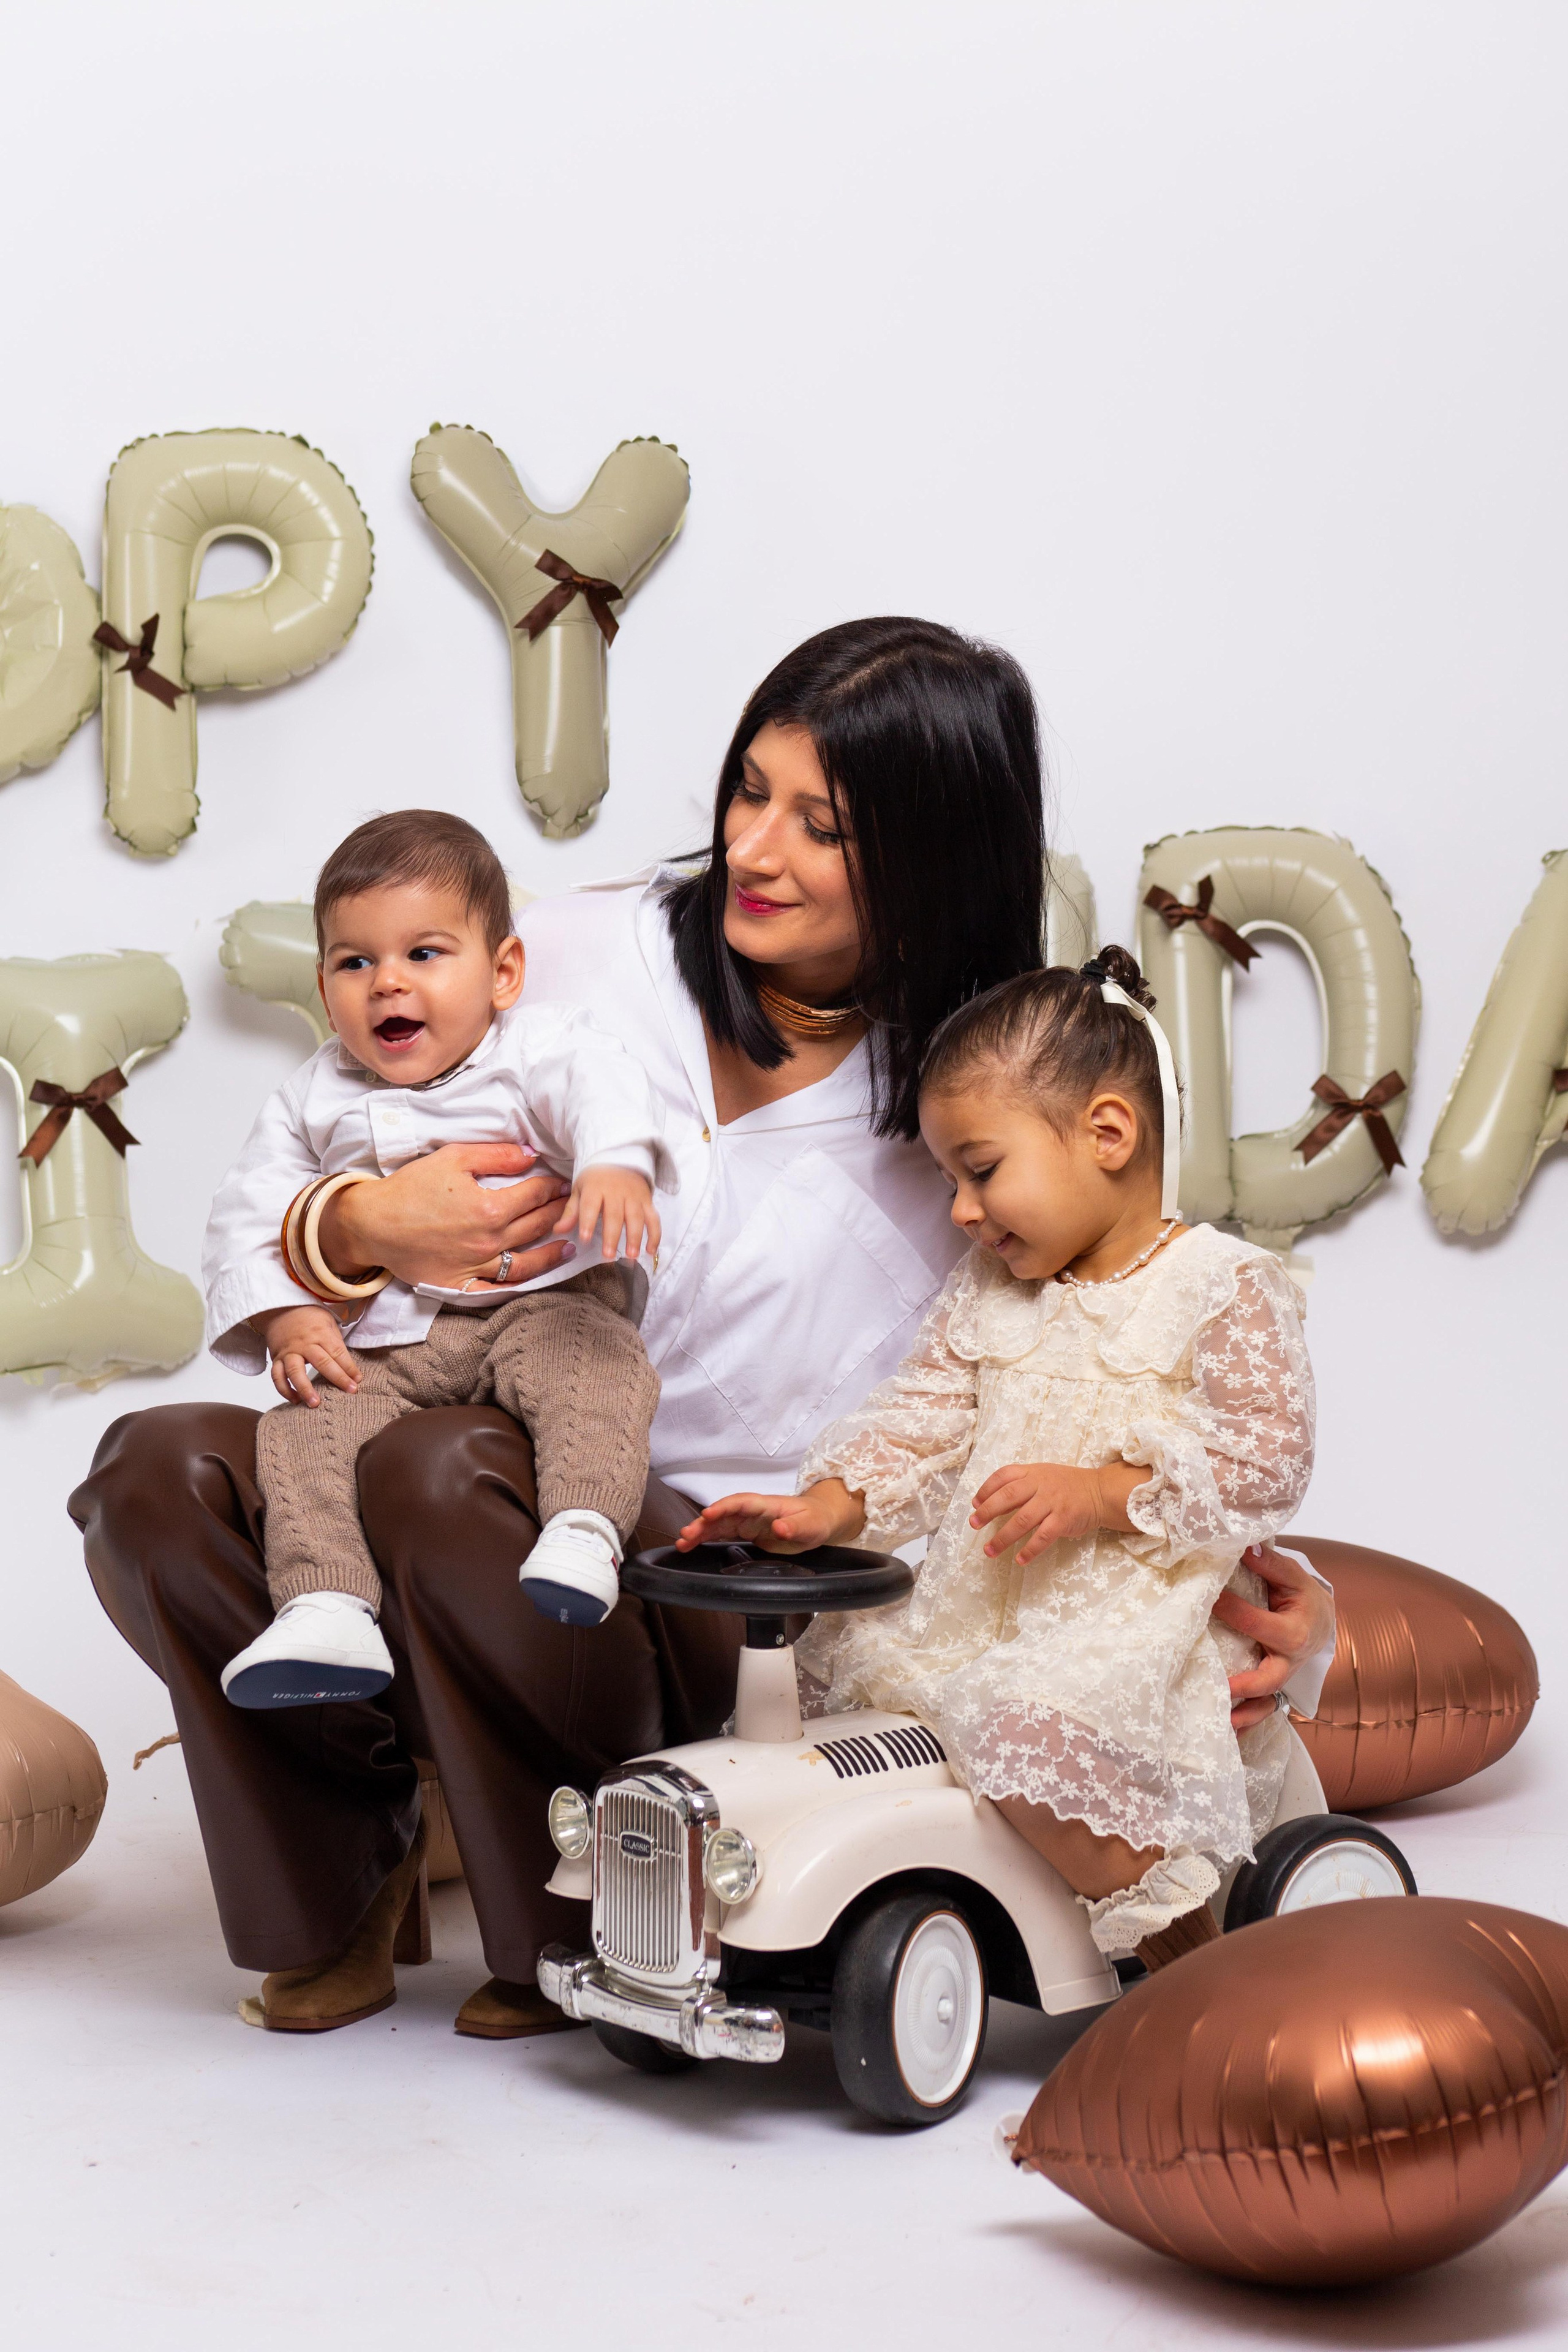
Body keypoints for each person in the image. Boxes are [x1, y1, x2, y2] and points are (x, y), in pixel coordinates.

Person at [69, 617, 1334, 2040]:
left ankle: (560, 1932)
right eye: (748, 791)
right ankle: (342, 1878)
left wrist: (1250, 1585)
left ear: (935, 850)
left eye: (821, 825)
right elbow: (333, 1122)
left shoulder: (976, 1120)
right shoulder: (578, 948)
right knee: (152, 1470)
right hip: (423, 1439)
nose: (754, 849)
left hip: (690, 1579)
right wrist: (355, 1229)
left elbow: (1120, 1350)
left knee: (445, 1474)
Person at [680, 947, 1313, 1972]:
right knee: (840, 1723)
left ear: (1108, 1133)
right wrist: (830, 1508)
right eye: (948, 1181)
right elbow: (922, 1418)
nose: (963, 1211)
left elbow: (1263, 1462)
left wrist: (1105, 1493)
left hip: (1135, 1627)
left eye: (981, 1171)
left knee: (1030, 1741)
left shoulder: (1220, 1284)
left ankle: (1188, 1965)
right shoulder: (991, 1292)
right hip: (978, 1616)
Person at [209, 810, 669, 1717]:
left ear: (502, 974)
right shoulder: (312, 1095)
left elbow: (599, 1083)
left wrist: (615, 1159)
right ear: (323, 984)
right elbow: (247, 1211)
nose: (387, 984)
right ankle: (327, 1602)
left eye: (424, 954)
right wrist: (287, 1317)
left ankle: (583, 1527)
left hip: (543, 1300)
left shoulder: (532, 1051)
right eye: (354, 963)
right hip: (393, 1341)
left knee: (596, 1369)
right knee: (299, 1426)